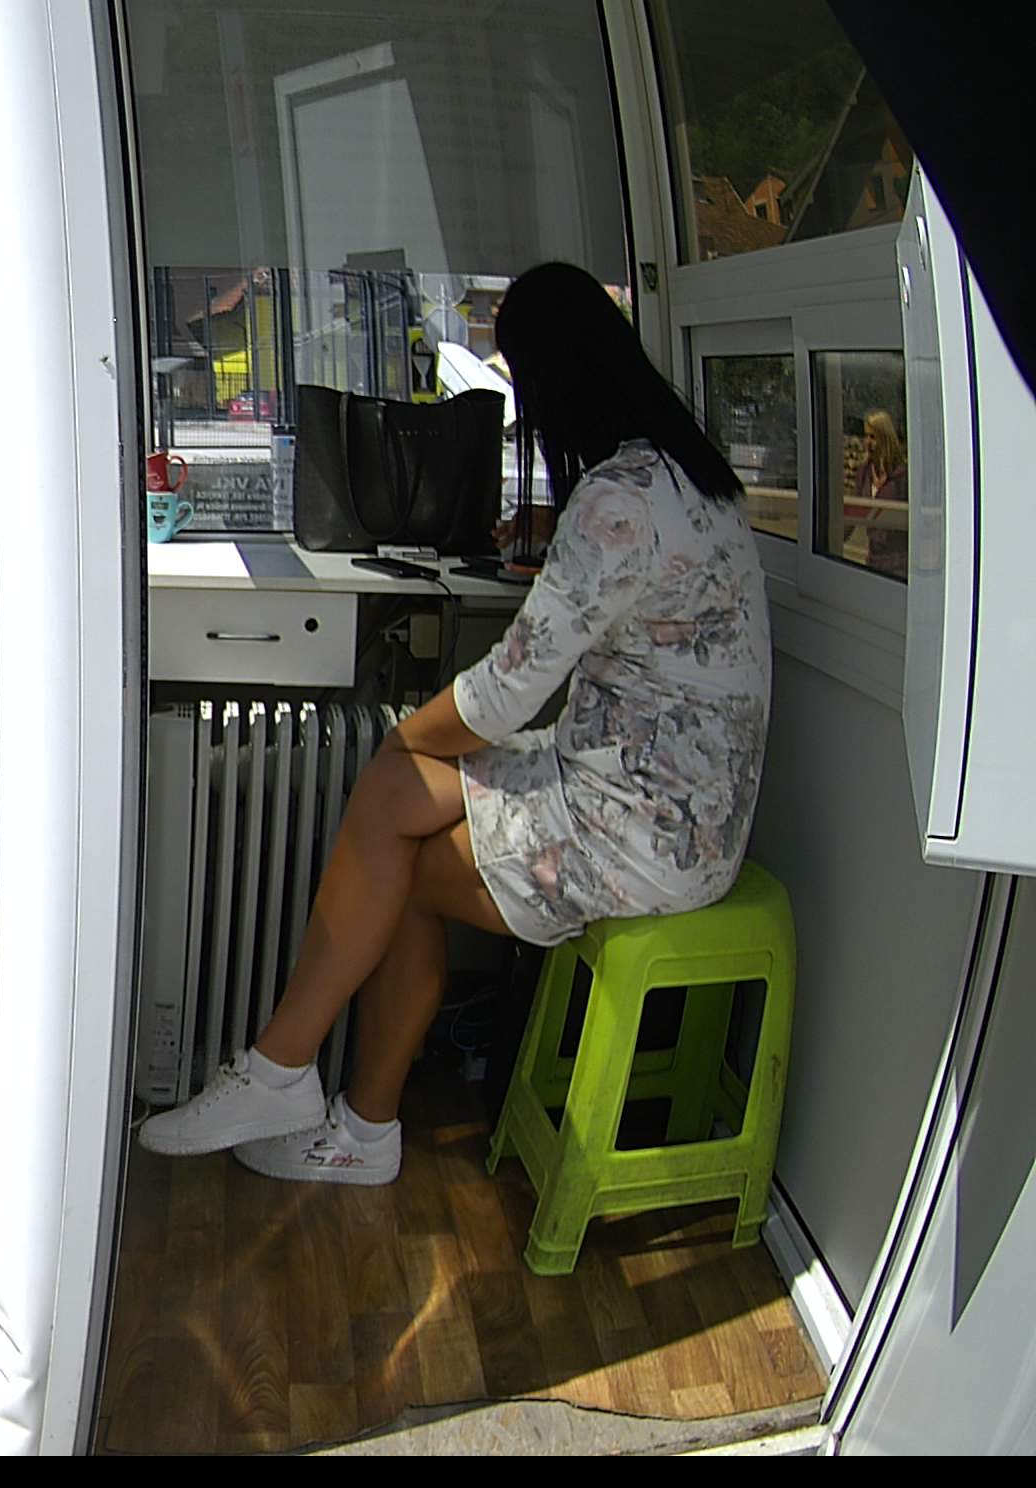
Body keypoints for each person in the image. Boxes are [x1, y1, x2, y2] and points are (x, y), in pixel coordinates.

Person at [137, 261, 773, 1185]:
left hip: (644, 831)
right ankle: (318, 1098)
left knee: (395, 831)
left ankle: (313, 1095)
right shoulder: (691, 476)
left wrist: (404, 738)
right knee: (396, 820)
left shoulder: (618, 502)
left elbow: (504, 696)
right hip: (685, 808)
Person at [847, 407, 908, 576]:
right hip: (874, 561)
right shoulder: (864, 472)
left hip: (899, 564)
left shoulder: (903, 476)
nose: (868, 442)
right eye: (866, 436)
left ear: (885, 439)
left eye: (873, 437)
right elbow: (853, 512)